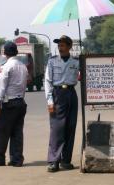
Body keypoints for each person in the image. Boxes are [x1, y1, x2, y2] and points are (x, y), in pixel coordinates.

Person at [0, 42, 28, 167]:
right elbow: (24, 86)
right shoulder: (23, 66)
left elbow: (1, 88)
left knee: (0, 131)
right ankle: (16, 159)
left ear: (4, 53)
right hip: (20, 102)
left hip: (8, 103)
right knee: (17, 132)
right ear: (16, 52)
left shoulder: (7, 67)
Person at [45, 35, 79, 172]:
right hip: (58, 94)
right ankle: (54, 160)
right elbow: (47, 81)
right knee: (57, 129)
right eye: (59, 46)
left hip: (71, 94)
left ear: (69, 47)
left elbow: (87, 72)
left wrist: (85, 59)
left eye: (63, 45)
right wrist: (50, 101)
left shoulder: (76, 62)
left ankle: (66, 160)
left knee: (70, 127)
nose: (60, 48)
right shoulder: (52, 62)